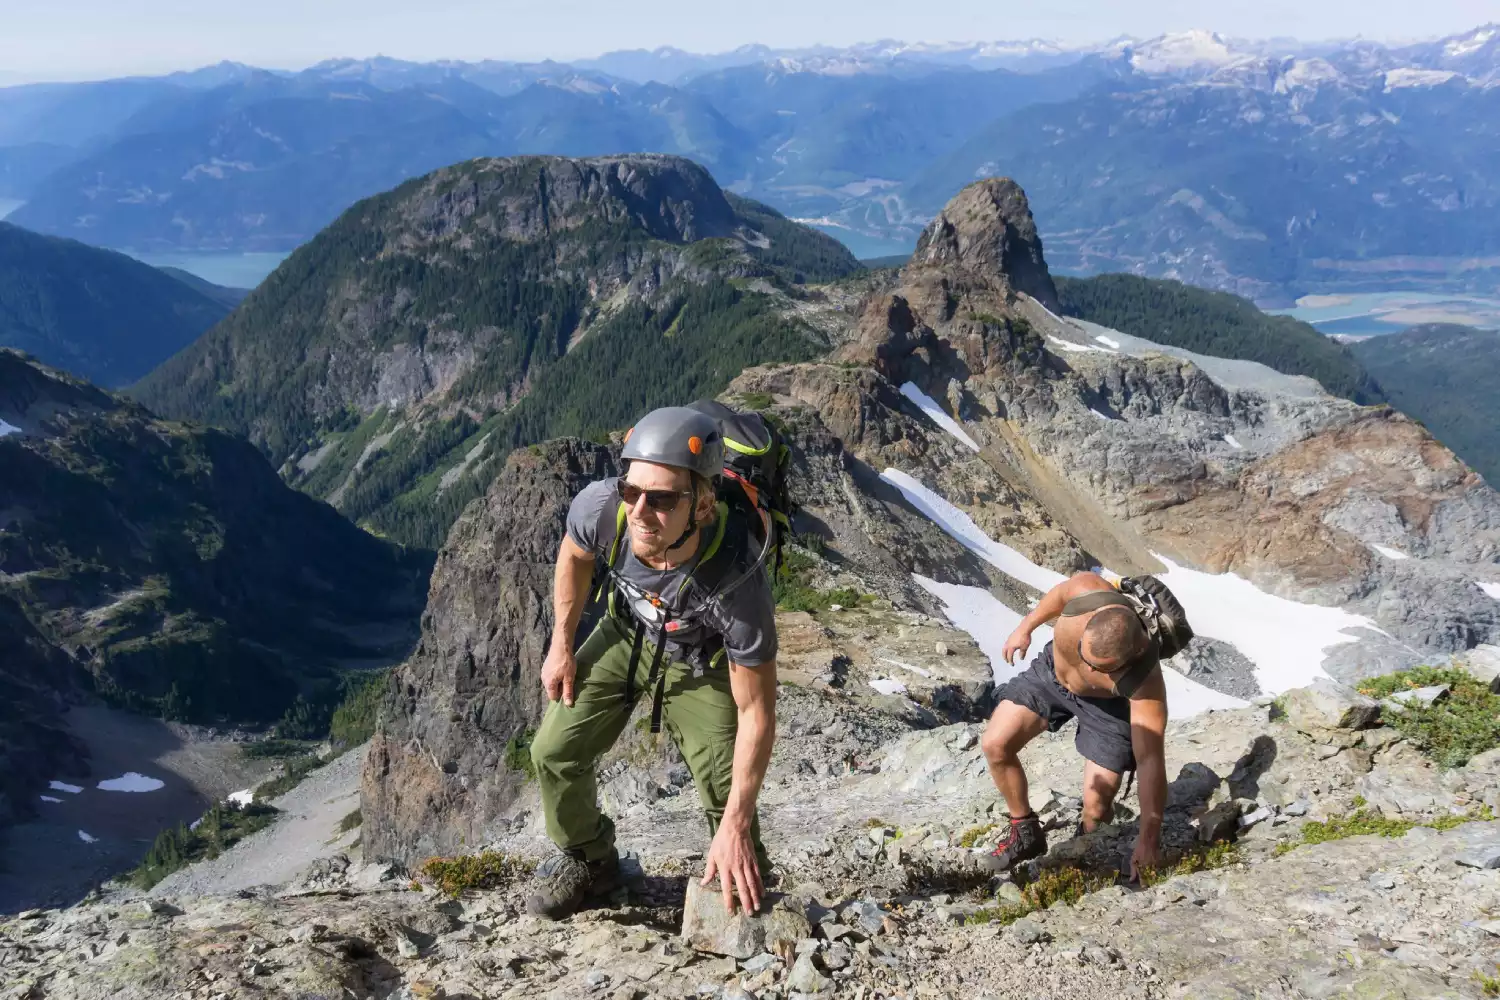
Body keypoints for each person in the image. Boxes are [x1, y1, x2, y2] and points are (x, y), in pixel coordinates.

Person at [526, 406, 779, 920]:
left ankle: (741, 870)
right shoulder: (601, 508)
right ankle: (592, 863)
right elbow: (573, 557)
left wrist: (734, 823)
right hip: (626, 630)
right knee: (553, 751)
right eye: (631, 492)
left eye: (662, 499)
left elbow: (758, 715)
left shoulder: (734, 578)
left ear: (703, 505)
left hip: (701, 659)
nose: (640, 510)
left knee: (725, 784)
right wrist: (562, 645)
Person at [978, 571, 1169, 881]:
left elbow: (1150, 760)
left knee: (1095, 809)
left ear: (1131, 656)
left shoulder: (1145, 681)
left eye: (1100, 668)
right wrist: (1024, 628)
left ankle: (1084, 851)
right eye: (1086, 655)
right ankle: (1024, 832)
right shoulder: (1087, 591)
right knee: (995, 745)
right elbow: (1057, 595)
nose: (1089, 668)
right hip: (1051, 675)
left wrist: (1149, 839)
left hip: (1108, 707)